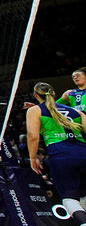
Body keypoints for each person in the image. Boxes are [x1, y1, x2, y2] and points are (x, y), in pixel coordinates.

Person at [26, 82, 86, 224]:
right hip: (83, 152)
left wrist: (33, 158)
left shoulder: (35, 110)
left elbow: (33, 136)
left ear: (35, 95)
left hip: (62, 156)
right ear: (54, 94)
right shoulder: (76, 112)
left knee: (69, 199)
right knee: (83, 197)